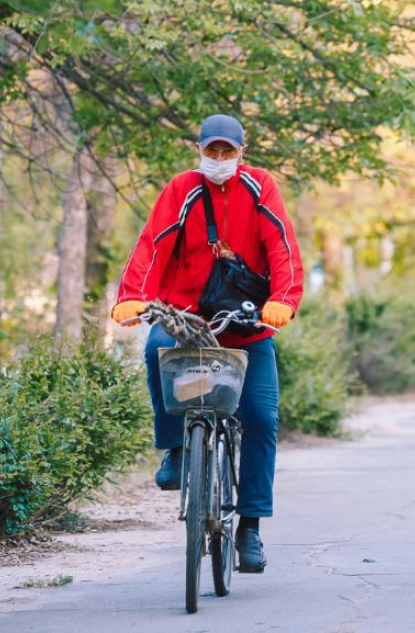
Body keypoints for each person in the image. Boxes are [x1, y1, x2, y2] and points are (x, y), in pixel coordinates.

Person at [110, 114, 304, 573]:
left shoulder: (260, 187)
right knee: (157, 346)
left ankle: (250, 527)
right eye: (211, 150)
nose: (218, 159)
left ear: (243, 151)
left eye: (227, 151)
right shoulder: (182, 188)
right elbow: (152, 245)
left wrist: (283, 300)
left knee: (260, 417)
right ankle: (176, 448)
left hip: (245, 320)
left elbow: (282, 246)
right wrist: (132, 297)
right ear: (198, 150)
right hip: (186, 317)